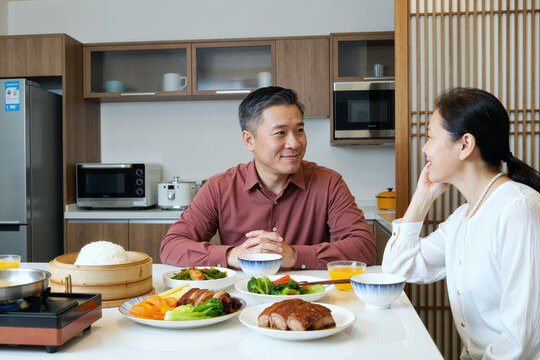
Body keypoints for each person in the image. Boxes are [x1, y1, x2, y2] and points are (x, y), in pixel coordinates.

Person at [382, 88, 540, 359]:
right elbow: (398, 269)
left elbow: (519, 340)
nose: (424, 148)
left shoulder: (518, 209)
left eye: (430, 137)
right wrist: (421, 198)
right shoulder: (463, 216)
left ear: (465, 145)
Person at [161, 86, 376, 270]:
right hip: (237, 302)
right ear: (249, 140)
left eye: (299, 130)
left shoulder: (329, 183)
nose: (294, 143)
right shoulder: (220, 187)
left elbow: (364, 247)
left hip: (308, 300)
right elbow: (171, 246)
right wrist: (231, 256)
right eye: (281, 133)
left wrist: (295, 256)